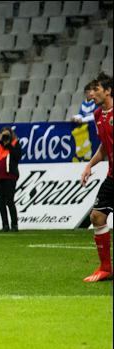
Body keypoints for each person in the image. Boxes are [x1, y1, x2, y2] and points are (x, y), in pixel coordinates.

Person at [80, 72, 113, 283]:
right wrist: (89, 166)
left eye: (97, 90)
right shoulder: (98, 115)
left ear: (108, 91)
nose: (93, 94)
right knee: (97, 216)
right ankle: (106, 269)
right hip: (112, 176)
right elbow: (104, 146)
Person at [0, 126, 21, 232]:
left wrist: (8, 145)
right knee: (1, 202)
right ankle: (5, 225)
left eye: (7, 135)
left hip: (10, 176)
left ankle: (14, 225)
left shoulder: (15, 143)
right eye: (3, 134)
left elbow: (17, 156)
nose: (5, 137)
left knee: (9, 201)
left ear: (11, 135)